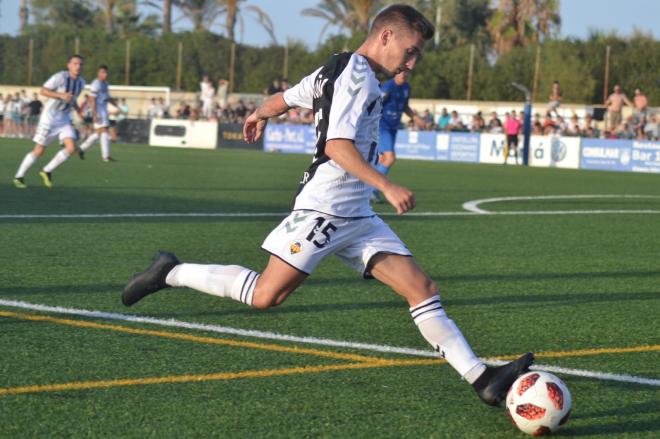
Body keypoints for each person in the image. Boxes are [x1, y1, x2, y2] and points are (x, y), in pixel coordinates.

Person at [122, 4, 533, 408]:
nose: (411, 63)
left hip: (357, 214)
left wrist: (259, 113)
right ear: (385, 35)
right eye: (409, 51)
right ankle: (169, 271)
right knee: (266, 295)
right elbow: (336, 146)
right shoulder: (356, 76)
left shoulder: (336, 67)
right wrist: (386, 185)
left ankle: (481, 378)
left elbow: (287, 97)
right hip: (324, 210)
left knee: (421, 289)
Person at [13, 54, 86, 189]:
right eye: (75, 63)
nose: (78, 66)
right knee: (39, 151)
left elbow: (73, 99)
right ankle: (19, 176)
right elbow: (43, 90)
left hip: (64, 119)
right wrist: (60, 95)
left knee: (71, 147)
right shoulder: (60, 77)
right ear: (69, 65)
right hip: (49, 119)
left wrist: (78, 110)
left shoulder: (81, 82)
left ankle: (47, 170)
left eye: (81, 64)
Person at [375, 69, 425, 202]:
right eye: (401, 72)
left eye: (406, 72)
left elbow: (405, 107)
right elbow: (375, 104)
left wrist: (416, 118)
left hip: (393, 127)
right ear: (395, 73)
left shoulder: (407, 87)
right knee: (390, 158)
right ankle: (372, 188)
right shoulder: (388, 87)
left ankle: (366, 187)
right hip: (382, 126)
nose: (403, 74)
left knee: (383, 159)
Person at [78, 65, 125, 162]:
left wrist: (117, 106)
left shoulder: (106, 84)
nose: (105, 74)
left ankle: (81, 149)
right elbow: (92, 99)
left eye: (106, 72)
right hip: (98, 109)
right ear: (98, 73)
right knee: (103, 131)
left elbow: (108, 97)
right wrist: (95, 114)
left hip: (103, 109)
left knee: (100, 132)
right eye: (103, 72)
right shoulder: (96, 83)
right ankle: (106, 156)